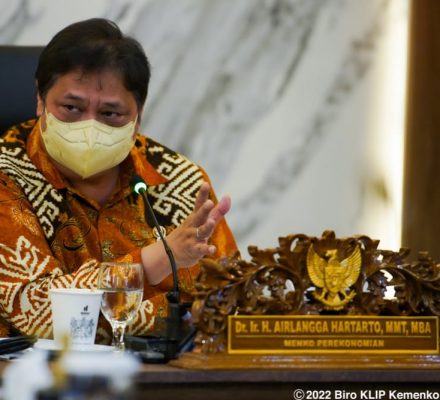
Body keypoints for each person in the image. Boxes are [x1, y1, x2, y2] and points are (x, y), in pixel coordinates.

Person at [0, 18, 238, 343]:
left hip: (165, 372)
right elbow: (39, 312)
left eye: (110, 114)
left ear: (138, 116)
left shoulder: (179, 181)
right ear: (40, 99)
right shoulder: (7, 175)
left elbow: (228, 307)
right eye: (71, 107)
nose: (89, 127)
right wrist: (155, 262)